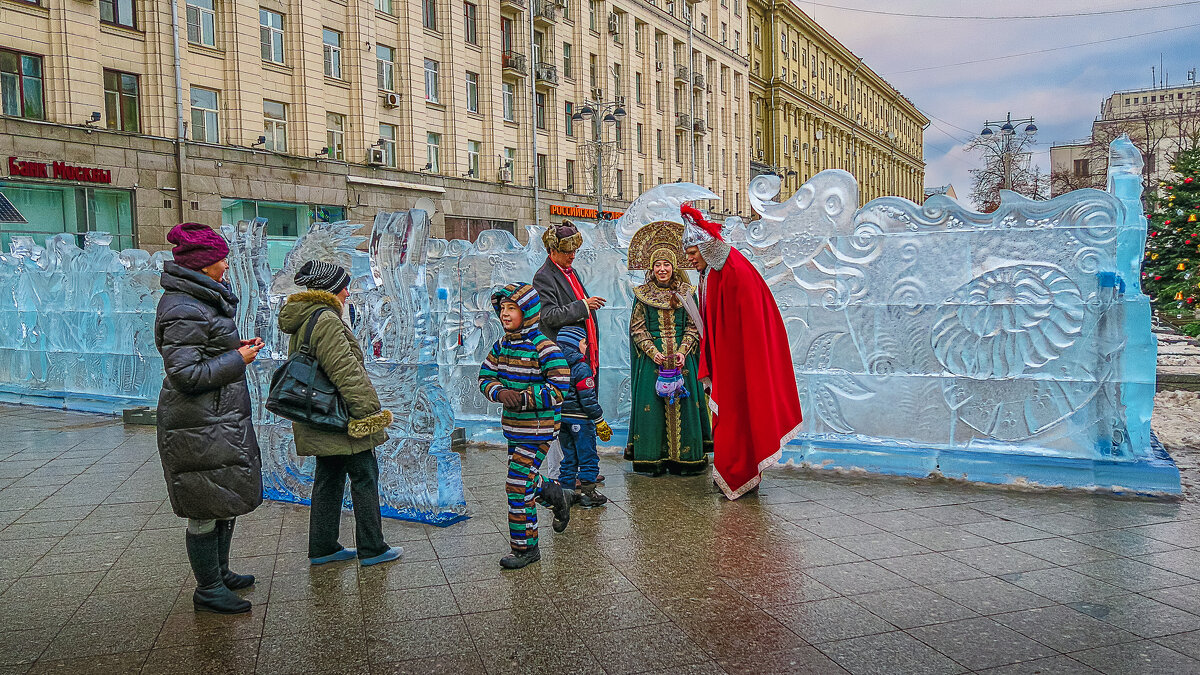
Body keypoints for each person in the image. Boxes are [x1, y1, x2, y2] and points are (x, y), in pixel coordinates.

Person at [155, 221, 264, 615]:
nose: (227, 268)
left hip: (215, 418)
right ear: (204, 266)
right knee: (204, 506)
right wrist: (237, 359)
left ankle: (220, 573)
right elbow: (184, 374)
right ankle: (208, 588)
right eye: (222, 261)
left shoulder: (199, 300)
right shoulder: (183, 307)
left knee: (223, 497)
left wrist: (234, 347)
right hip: (196, 423)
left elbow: (202, 351)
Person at [277, 260, 402, 567]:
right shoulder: (326, 319)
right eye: (344, 286)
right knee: (364, 475)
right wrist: (368, 415)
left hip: (318, 414)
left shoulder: (306, 316)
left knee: (329, 476)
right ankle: (373, 548)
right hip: (341, 417)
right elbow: (345, 371)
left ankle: (323, 546)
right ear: (332, 289)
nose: (348, 292)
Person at [681, 204, 804, 499]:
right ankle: (728, 471)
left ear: (707, 247)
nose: (690, 260)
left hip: (739, 360)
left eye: (692, 254)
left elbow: (748, 321)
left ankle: (741, 473)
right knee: (728, 419)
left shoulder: (733, 269)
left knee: (739, 417)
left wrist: (733, 357)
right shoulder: (712, 271)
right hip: (727, 357)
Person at [478, 283, 576, 569]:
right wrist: (498, 391)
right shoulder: (501, 346)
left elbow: (559, 387)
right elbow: (485, 376)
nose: (505, 314)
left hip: (539, 429)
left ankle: (526, 548)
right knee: (526, 480)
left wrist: (521, 398)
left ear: (528, 311)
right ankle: (558, 495)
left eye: (512, 308)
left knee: (516, 484)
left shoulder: (544, 347)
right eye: (503, 309)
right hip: (514, 428)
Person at [625, 225, 712, 476]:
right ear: (651, 268)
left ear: (674, 266)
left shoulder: (686, 292)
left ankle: (685, 460)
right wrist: (655, 354)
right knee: (651, 411)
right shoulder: (642, 295)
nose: (662, 269)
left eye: (666, 264)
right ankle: (654, 459)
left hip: (683, 363)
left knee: (686, 408)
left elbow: (694, 326)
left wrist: (684, 351)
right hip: (653, 364)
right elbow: (637, 329)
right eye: (657, 265)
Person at [533, 220, 607, 482]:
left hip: (578, 355)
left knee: (579, 415)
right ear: (553, 251)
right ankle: (562, 474)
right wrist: (583, 306)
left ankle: (583, 469)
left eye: (574, 251)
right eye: (567, 252)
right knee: (563, 419)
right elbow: (548, 315)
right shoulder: (544, 276)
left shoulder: (568, 272)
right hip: (561, 359)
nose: (572, 256)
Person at [554, 326, 612, 506]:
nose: (586, 346)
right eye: (584, 342)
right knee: (588, 456)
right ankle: (588, 493)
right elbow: (587, 399)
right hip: (581, 420)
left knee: (569, 457)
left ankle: (566, 494)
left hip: (562, 419)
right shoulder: (581, 368)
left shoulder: (555, 366)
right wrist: (599, 419)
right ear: (574, 344)